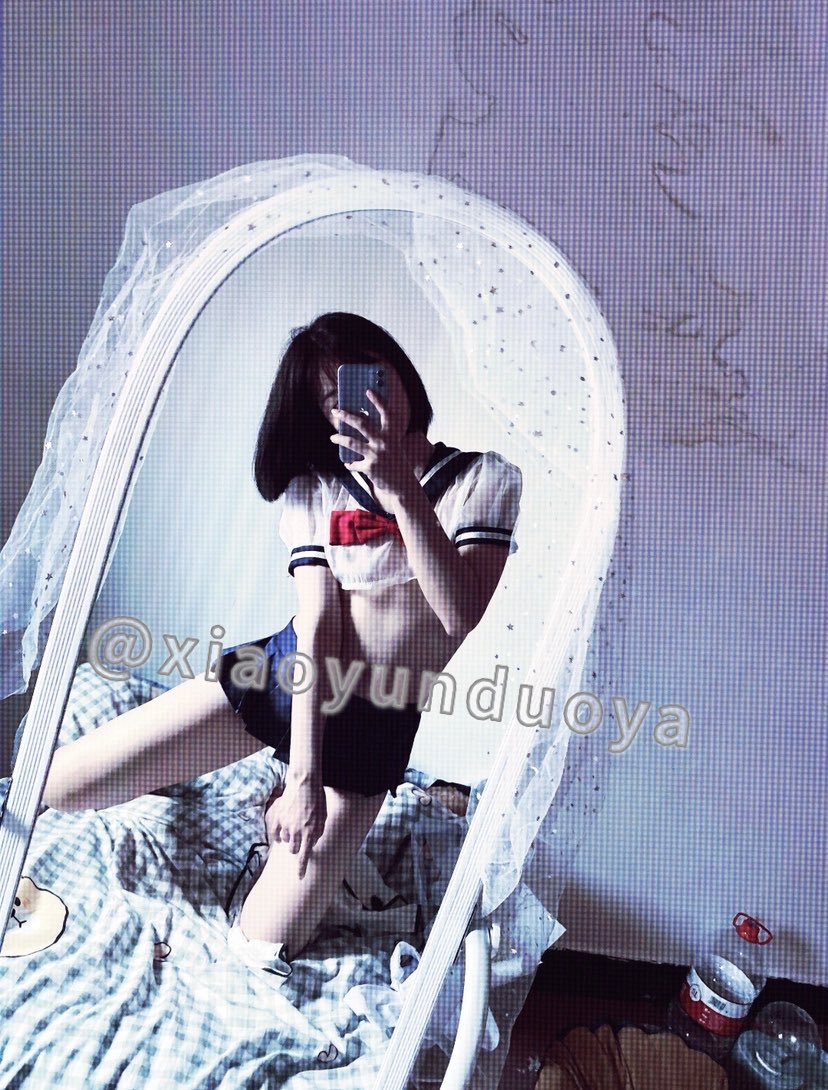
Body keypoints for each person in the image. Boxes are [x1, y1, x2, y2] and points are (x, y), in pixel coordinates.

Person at [42, 312, 522, 980]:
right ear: (321, 415)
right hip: (285, 676)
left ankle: (307, 826)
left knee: (262, 947)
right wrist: (302, 779)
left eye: (372, 379)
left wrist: (401, 492)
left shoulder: (485, 479)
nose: (365, 404)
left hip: (377, 722)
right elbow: (317, 626)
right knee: (58, 786)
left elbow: (459, 616)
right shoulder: (314, 487)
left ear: (399, 372)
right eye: (336, 397)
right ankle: (271, 779)